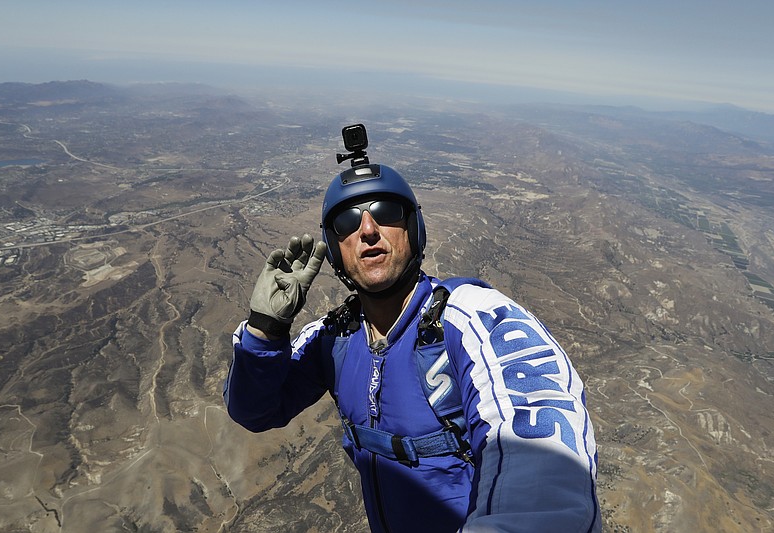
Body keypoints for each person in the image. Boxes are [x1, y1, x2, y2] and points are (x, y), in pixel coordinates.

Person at [224, 125, 600, 532]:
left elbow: (544, 462)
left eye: (386, 213)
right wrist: (264, 331)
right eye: (348, 222)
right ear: (335, 250)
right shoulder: (333, 338)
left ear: (414, 229)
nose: (368, 230)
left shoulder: (474, 319)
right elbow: (255, 411)